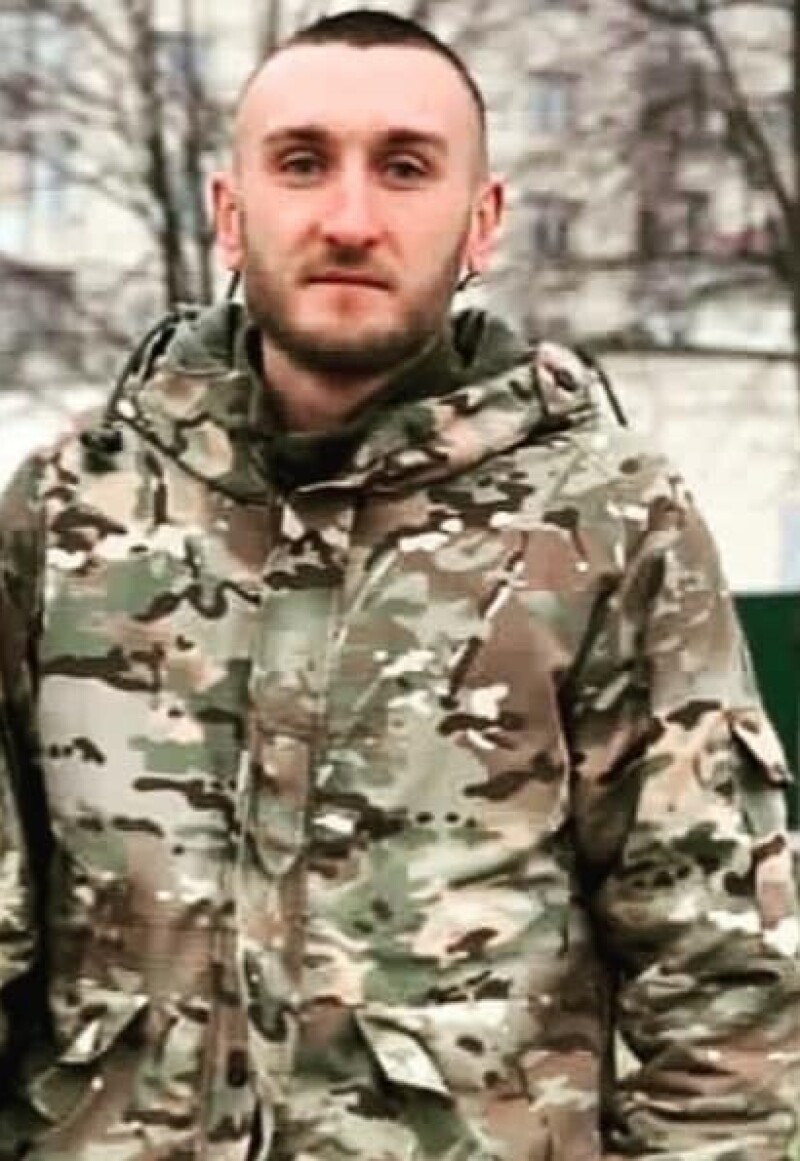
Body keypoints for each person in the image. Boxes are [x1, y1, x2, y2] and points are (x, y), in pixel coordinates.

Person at [0, 8, 797, 1160]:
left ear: (483, 220)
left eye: (405, 167)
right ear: (229, 212)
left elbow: (718, 980)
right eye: (301, 162)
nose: (348, 218)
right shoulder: (72, 509)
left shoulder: (601, 521)